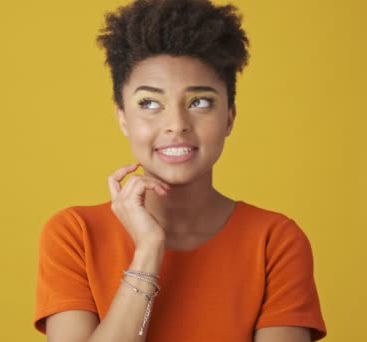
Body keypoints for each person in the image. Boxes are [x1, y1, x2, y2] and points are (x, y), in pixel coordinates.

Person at [33, 0, 327, 341]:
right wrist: (148, 251)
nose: (176, 125)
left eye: (199, 102)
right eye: (150, 103)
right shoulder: (75, 235)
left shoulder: (274, 241)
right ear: (123, 119)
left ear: (229, 118)